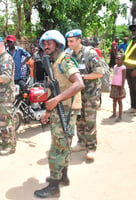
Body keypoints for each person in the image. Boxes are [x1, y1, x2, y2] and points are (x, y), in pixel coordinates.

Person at [33, 30, 84, 198]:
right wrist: (48, 110)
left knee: (57, 148)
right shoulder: (54, 63)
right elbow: (55, 89)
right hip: (60, 108)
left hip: (67, 109)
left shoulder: (65, 61)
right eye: (44, 44)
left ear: (58, 44)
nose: (46, 46)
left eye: (49, 43)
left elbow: (79, 83)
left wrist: (56, 101)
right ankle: (63, 176)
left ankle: (54, 186)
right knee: (63, 144)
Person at [65, 29, 104, 160]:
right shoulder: (69, 55)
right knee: (79, 120)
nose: (69, 44)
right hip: (77, 94)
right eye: (68, 41)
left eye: (71, 41)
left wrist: (82, 77)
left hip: (90, 94)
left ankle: (91, 148)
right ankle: (81, 142)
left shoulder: (89, 53)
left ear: (79, 41)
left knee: (90, 121)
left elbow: (99, 72)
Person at [109, 53, 126, 122]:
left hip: (119, 86)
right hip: (114, 85)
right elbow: (114, 75)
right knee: (114, 101)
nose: (116, 60)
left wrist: (122, 88)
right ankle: (114, 113)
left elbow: (123, 79)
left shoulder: (123, 68)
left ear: (122, 60)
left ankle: (120, 116)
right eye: (116, 58)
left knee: (119, 101)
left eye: (118, 59)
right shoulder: (115, 66)